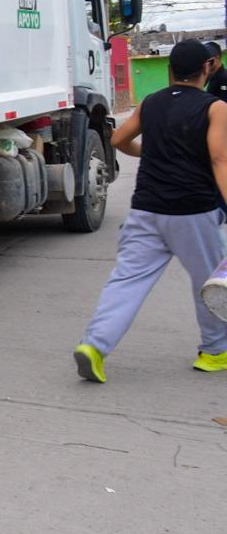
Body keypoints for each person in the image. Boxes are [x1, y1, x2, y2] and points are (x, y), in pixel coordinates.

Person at [74, 40, 227, 382]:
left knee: (127, 280)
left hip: (146, 209)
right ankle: (215, 352)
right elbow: (220, 158)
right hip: (193, 212)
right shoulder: (215, 107)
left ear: (171, 70)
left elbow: (117, 141)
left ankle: (95, 345)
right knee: (210, 283)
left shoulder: (150, 103)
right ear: (207, 68)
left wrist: (151, 152)